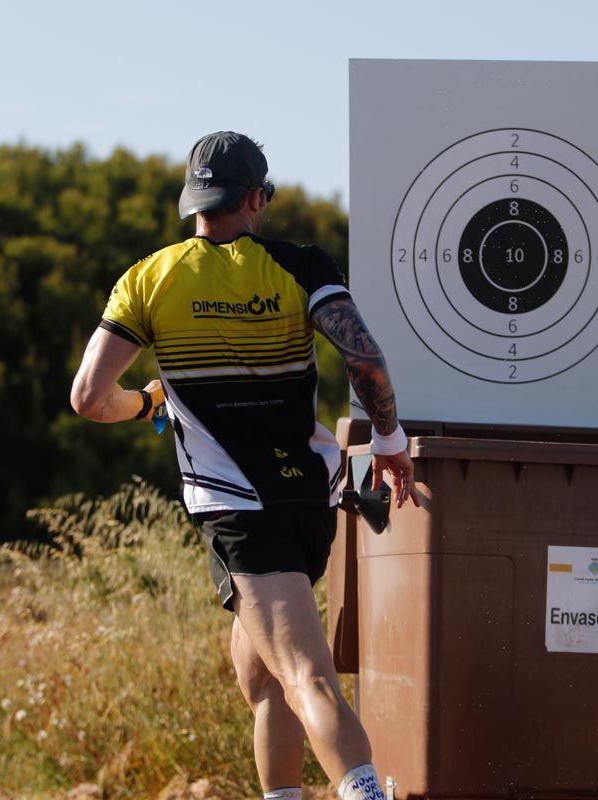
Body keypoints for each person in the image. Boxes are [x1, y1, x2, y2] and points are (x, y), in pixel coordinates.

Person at [69, 131, 417, 800]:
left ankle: (365, 793)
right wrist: (391, 439)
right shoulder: (301, 265)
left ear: (192, 202)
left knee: (305, 678)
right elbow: (364, 357)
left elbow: (88, 398)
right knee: (261, 680)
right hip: (309, 504)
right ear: (257, 198)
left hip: (238, 508)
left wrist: (147, 406)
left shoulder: (151, 278)